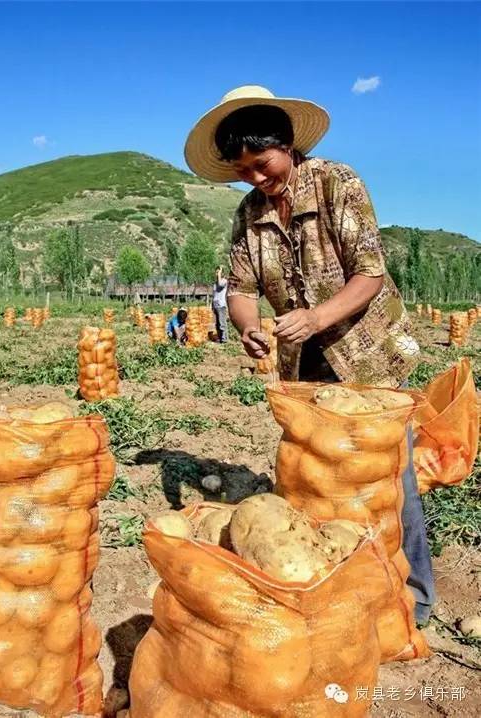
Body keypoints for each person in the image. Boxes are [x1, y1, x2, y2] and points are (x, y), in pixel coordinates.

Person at [184, 85, 434, 624]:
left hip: (370, 358)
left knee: (389, 478)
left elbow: (370, 272)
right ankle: (331, 585)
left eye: (262, 163)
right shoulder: (249, 213)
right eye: (242, 170)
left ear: (288, 145)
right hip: (305, 367)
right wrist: (250, 328)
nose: (255, 177)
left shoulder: (336, 182)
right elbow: (240, 288)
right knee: (315, 476)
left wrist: (317, 317)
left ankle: (412, 598)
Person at [212, 266, 228, 343]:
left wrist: (219, 274)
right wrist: (212, 305)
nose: (216, 273)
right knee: (217, 324)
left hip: (221, 306)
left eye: (218, 272)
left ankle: (224, 339)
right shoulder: (215, 283)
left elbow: (220, 285)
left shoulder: (224, 281)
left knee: (222, 323)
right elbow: (214, 295)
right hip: (215, 305)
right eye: (216, 272)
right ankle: (219, 338)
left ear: (222, 273)